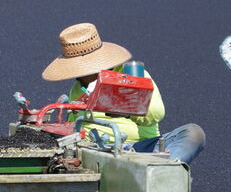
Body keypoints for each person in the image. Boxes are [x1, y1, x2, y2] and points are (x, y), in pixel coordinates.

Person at [41, 23, 205, 164]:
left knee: (193, 132)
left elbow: (156, 114)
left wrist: (119, 103)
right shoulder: (77, 88)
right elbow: (73, 127)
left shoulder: (132, 75)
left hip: (139, 147)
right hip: (91, 149)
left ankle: (167, 170)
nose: (77, 73)